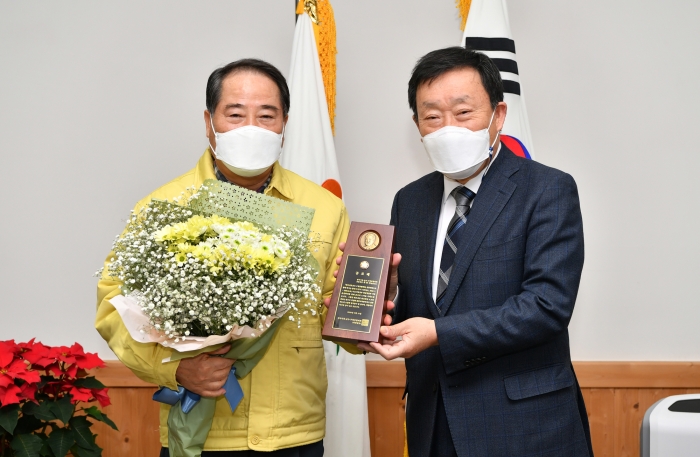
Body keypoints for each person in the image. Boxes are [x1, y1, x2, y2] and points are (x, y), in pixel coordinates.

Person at [96, 58, 351, 456]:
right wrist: (175, 369)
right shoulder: (164, 205)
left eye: (267, 115)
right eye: (235, 114)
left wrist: (373, 305)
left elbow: (336, 310)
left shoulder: (324, 207)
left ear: (285, 123)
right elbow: (113, 309)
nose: (252, 127)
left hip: (292, 431)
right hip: (204, 432)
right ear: (209, 121)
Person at [360, 47, 593, 456]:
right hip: (433, 424)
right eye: (432, 116)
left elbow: (547, 306)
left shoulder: (546, 190)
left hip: (525, 427)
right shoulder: (409, 201)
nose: (447, 127)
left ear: (498, 116)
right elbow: (424, 309)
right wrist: (374, 308)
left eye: (463, 113)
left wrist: (437, 335)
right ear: (417, 125)